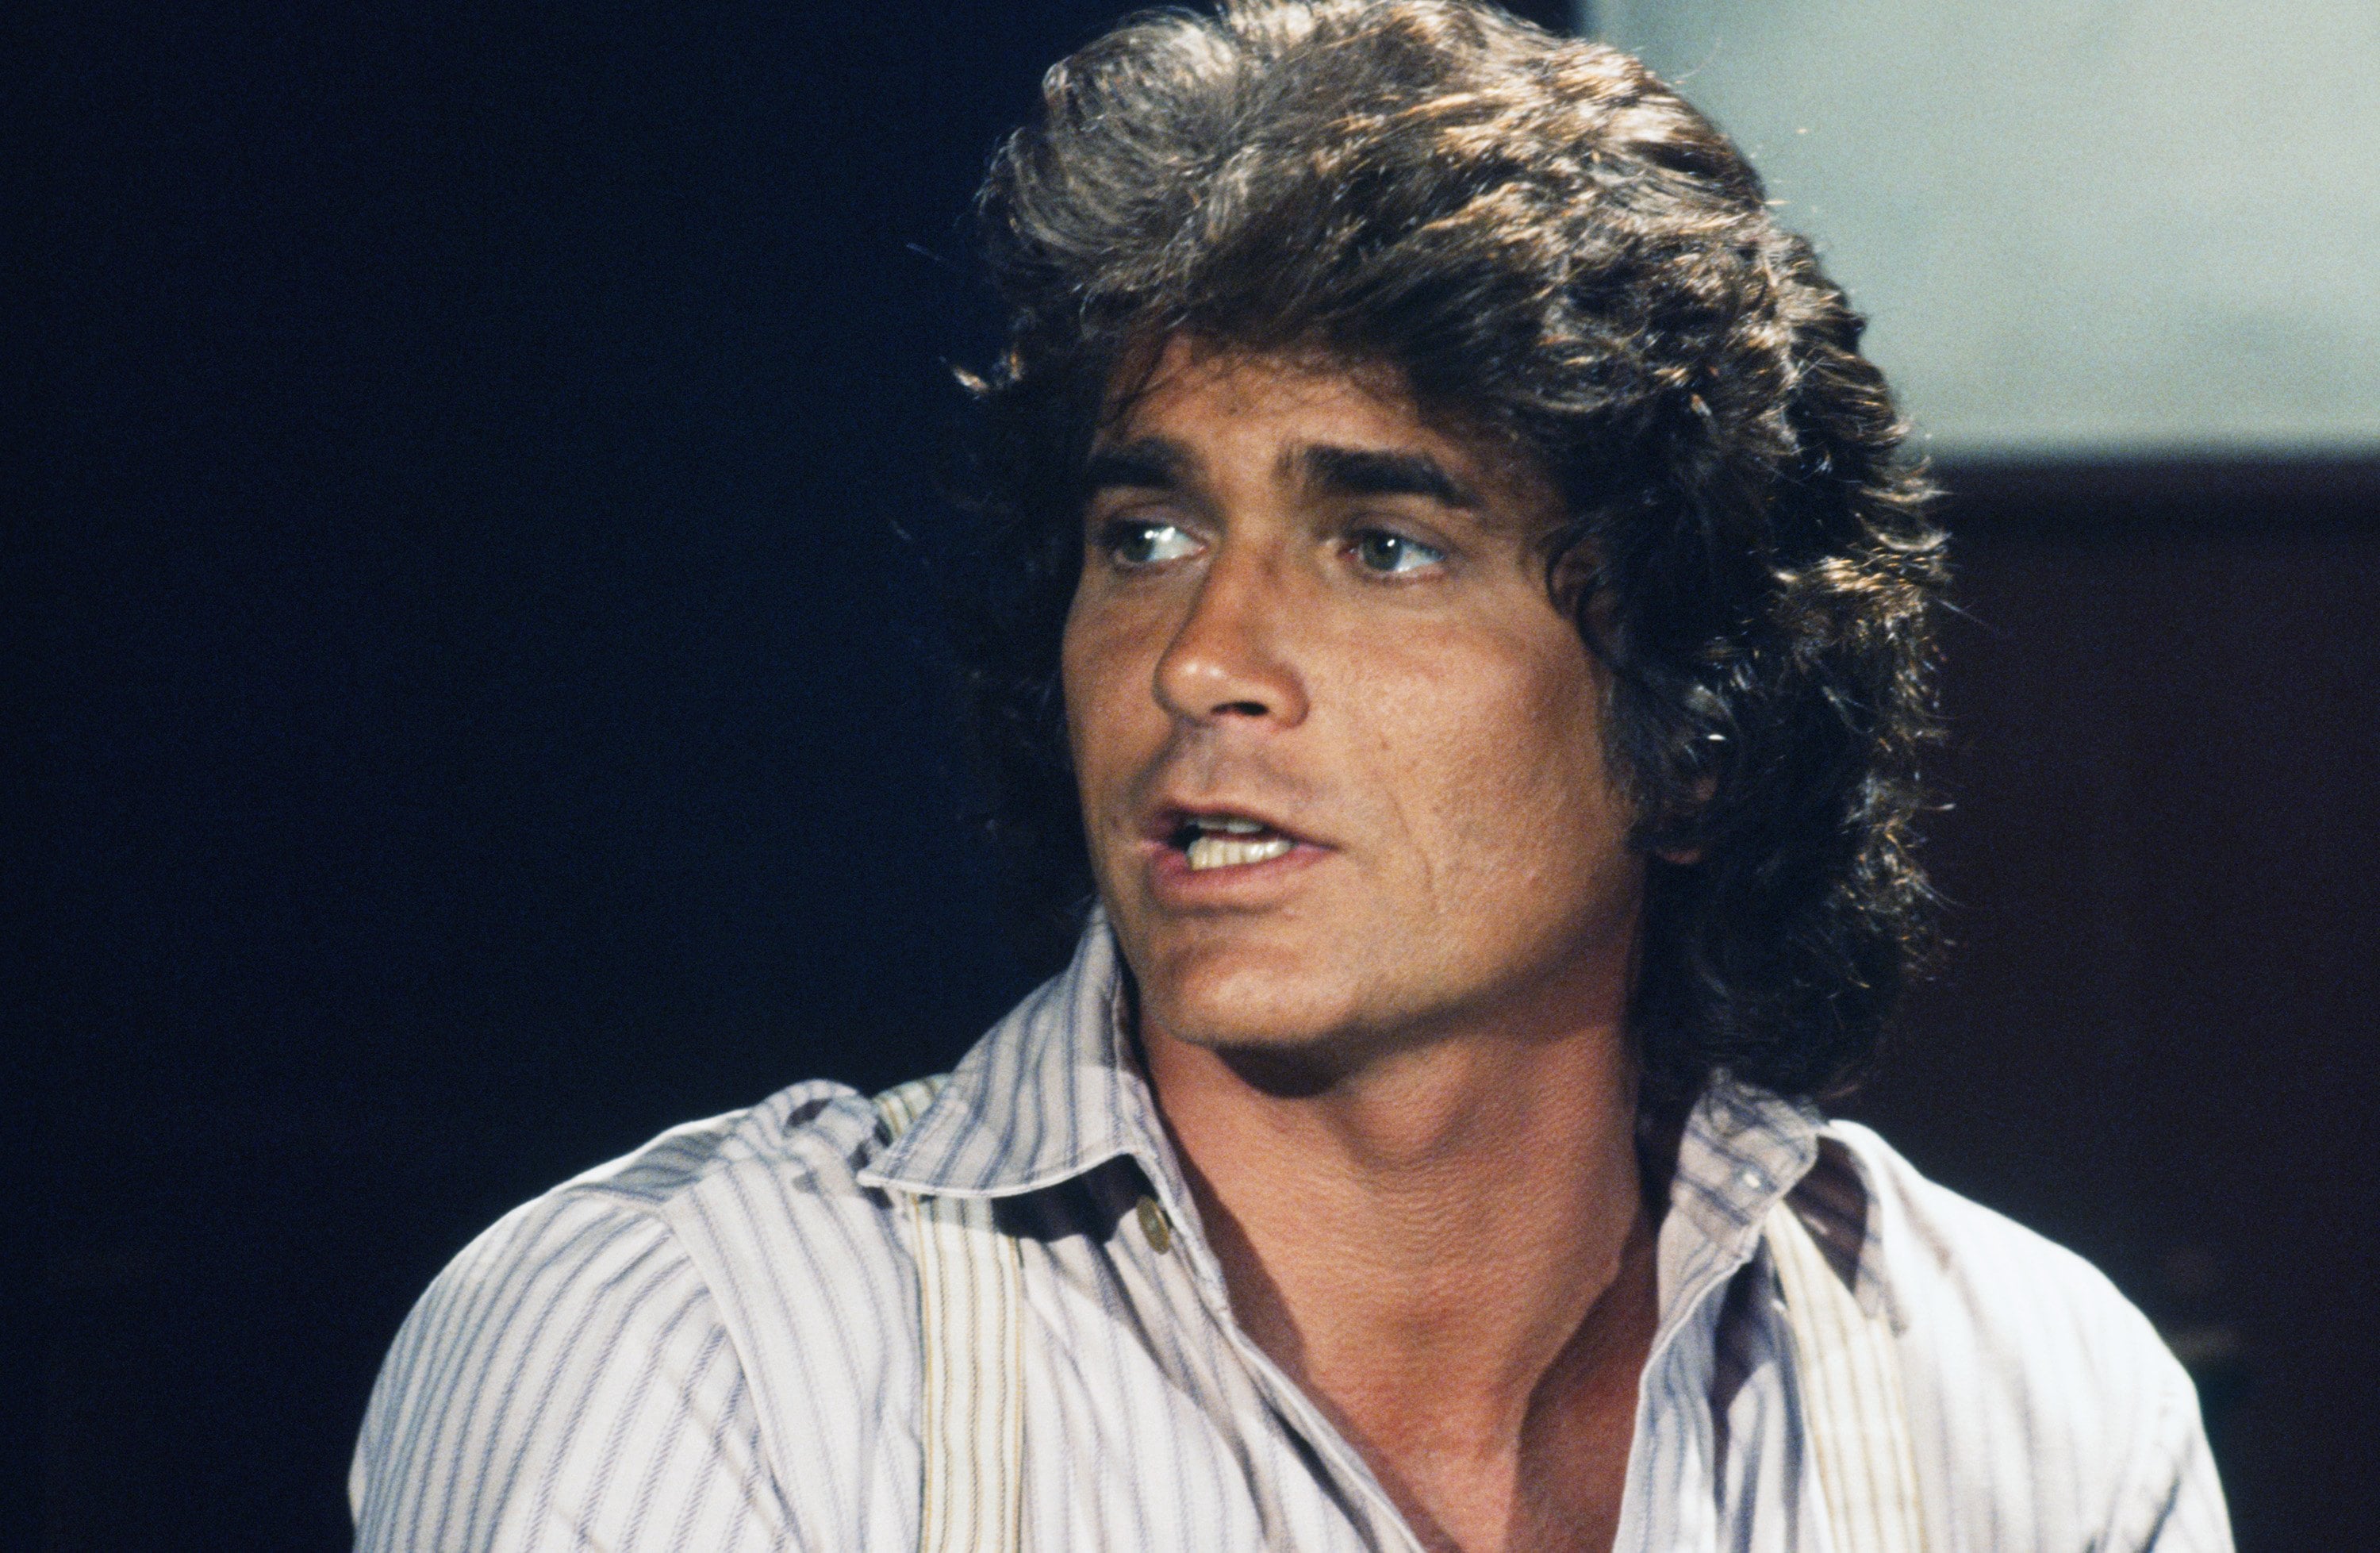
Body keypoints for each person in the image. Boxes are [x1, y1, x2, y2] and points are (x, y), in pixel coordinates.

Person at [348, 2, 2231, 1548]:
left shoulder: (2019, 1407)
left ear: (1699, 727)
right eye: (1147, 536)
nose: (1200, 661)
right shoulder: (695, 1347)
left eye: (1383, 546)